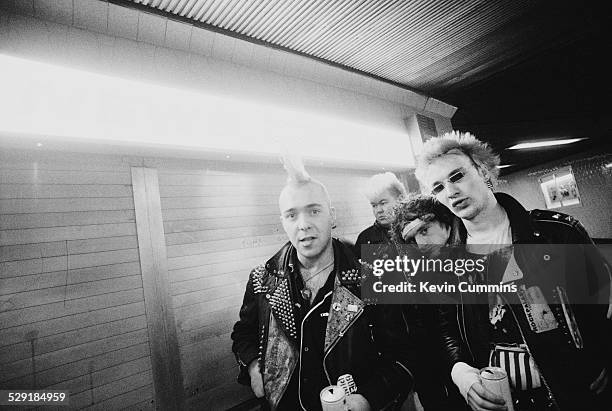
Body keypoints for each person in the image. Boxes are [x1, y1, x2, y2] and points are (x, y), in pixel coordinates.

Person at [414, 131, 612, 410]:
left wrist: (604, 354)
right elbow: (446, 329)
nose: (450, 191)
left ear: (483, 171)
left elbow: (604, 303)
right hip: (503, 401)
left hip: (574, 392)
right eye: (438, 188)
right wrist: (459, 370)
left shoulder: (556, 234)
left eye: (457, 176)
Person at [231, 157, 413, 411]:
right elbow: (243, 333)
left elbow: (403, 355)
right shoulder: (263, 278)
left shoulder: (374, 276)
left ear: (332, 215)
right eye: (291, 214)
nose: (303, 224)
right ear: (283, 222)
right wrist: (252, 365)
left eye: (314, 210)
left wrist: (369, 398)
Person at [390, 194, 467, 411]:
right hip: (444, 371)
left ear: (445, 221)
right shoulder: (422, 268)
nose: (421, 243)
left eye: (425, 230)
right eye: (413, 239)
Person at [355, 172, 407, 260]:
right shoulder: (364, 238)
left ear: (400, 199)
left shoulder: (417, 230)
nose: (378, 210)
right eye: (374, 205)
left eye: (383, 203)